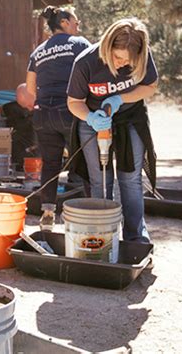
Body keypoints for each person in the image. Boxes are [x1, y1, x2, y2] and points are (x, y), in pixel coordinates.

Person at [67, 17, 158, 243]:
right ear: (107, 46)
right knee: (100, 180)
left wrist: (121, 98)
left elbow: (150, 86)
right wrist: (90, 118)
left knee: (131, 179)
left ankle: (135, 236)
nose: (121, 64)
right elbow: (74, 102)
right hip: (94, 122)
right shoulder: (86, 62)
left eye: (128, 61)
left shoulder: (142, 54)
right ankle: (104, 235)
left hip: (130, 119)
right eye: (117, 58)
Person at [26, 6, 90, 231]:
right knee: (83, 162)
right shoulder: (79, 44)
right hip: (70, 110)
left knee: (50, 164)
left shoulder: (38, 52)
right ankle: (89, 212)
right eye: (75, 21)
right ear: (64, 22)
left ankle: (47, 213)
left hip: (43, 113)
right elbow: (93, 73)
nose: (78, 26)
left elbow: (30, 89)